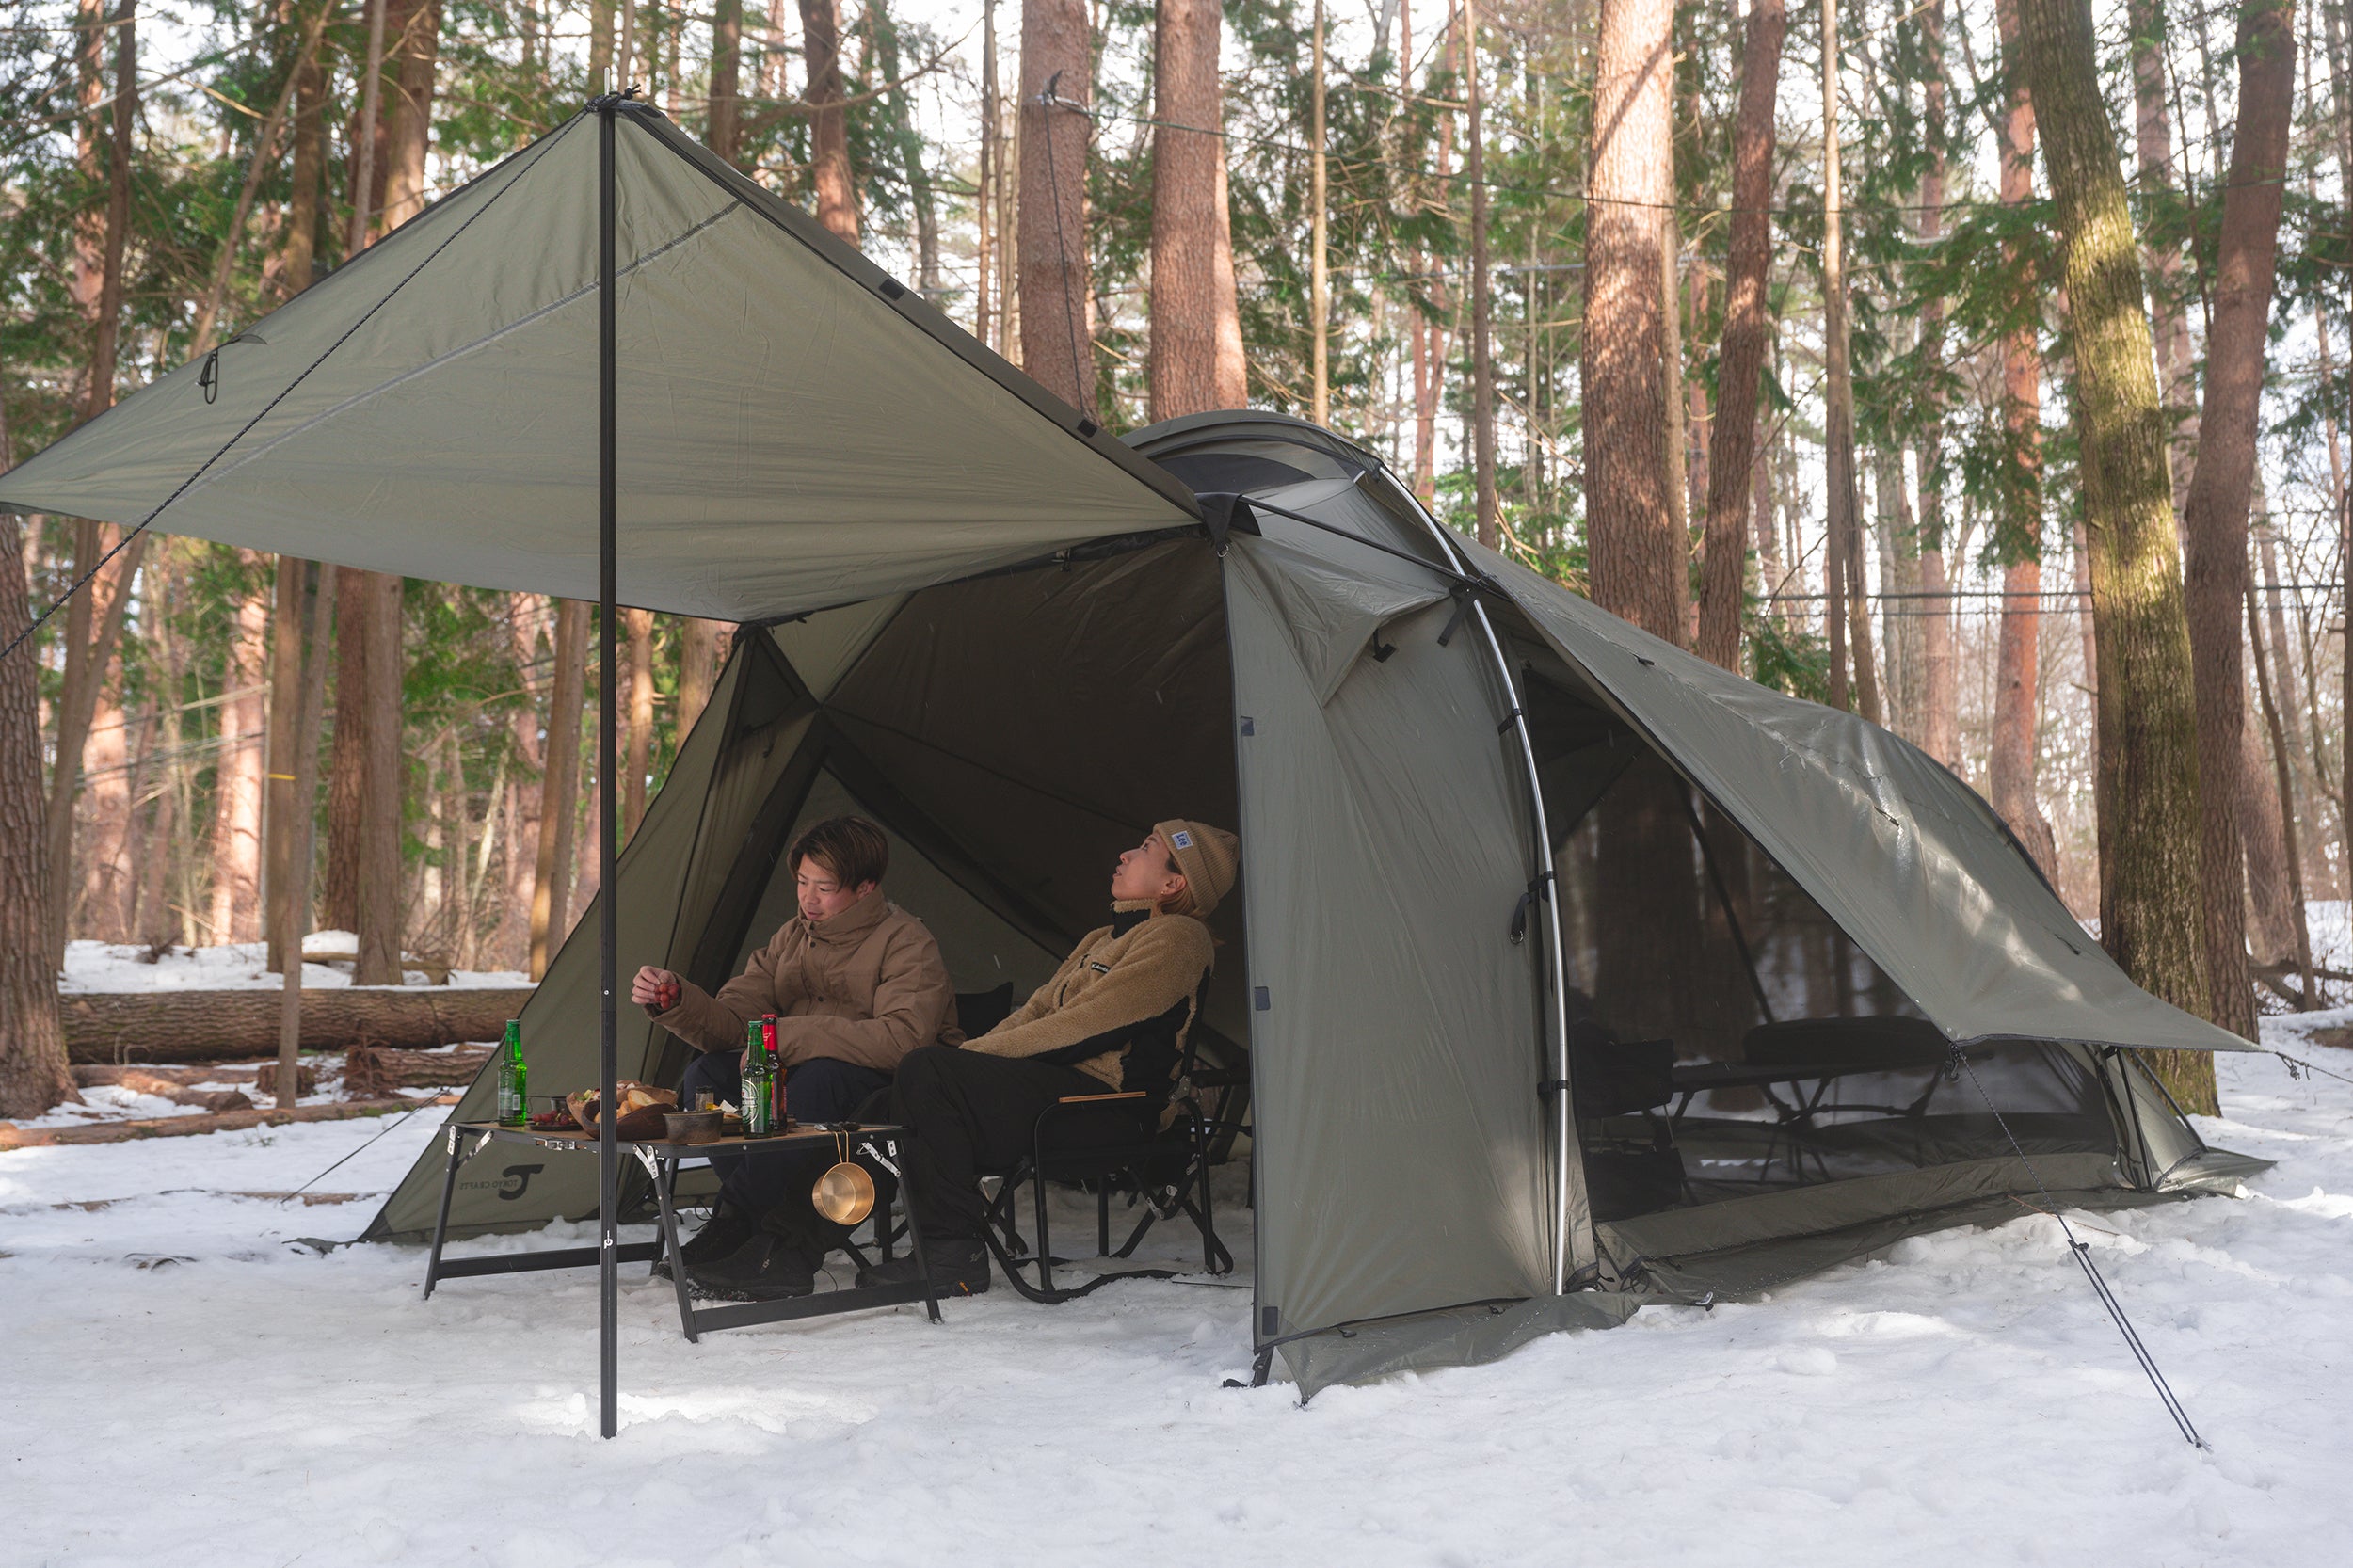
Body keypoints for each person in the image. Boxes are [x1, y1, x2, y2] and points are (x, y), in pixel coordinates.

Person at [859, 819, 1238, 1296]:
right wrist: (971, 1058)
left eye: (1145, 848)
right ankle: (787, 1245)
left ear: (1173, 882)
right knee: (882, 1104)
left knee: (926, 1073)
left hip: (1110, 1108)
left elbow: (1092, 1024)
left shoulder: (1179, 937)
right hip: (1054, 1091)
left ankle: (952, 1255)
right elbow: (1037, 1011)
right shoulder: (1102, 937)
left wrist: (967, 1058)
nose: (1125, 854)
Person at [631, 815, 958, 1300]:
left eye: (824, 887)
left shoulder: (907, 942)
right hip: (802, 1078)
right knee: (707, 1075)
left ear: (866, 886)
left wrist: (790, 1037)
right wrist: (677, 1001)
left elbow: (903, 1040)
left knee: (815, 1083)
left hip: (885, 1092)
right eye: (803, 882)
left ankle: (739, 1220)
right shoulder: (792, 937)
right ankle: (754, 1220)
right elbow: (735, 1022)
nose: (808, 899)